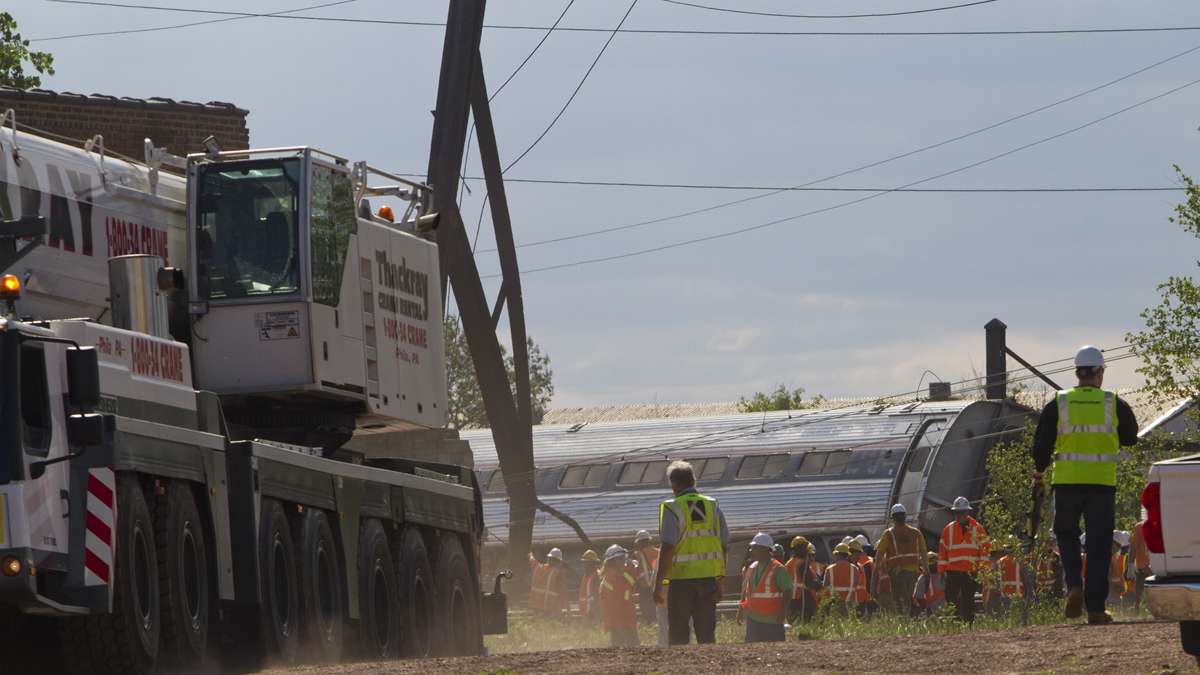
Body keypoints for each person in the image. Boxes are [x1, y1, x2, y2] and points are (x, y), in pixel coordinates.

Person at [1031, 345, 1139, 625]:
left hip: (1066, 483)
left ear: (1077, 373)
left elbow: (1041, 445)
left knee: (1065, 534)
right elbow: (1130, 437)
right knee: (1100, 545)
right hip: (1102, 485)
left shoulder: (1060, 403)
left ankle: (1073, 584)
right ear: (1100, 373)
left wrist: (1039, 472)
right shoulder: (1113, 402)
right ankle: (1095, 608)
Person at [652, 460, 730, 645]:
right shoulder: (712, 506)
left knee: (678, 634)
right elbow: (724, 545)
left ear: (673, 484)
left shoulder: (672, 507)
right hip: (708, 579)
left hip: (681, 581)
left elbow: (668, 547)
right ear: (693, 480)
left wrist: (659, 583)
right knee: (706, 635)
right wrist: (720, 579)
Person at [938, 496, 989, 623]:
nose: (959, 515)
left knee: (968, 599)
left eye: (962, 512)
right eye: (957, 512)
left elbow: (984, 551)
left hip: (970, 571)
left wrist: (983, 570)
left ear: (967, 512)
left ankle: (968, 624)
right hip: (953, 571)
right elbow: (943, 552)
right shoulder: (948, 529)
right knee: (951, 598)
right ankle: (955, 623)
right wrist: (942, 571)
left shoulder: (978, 529)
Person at [736, 532, 793, 643]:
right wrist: (741, 609)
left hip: (772, 621)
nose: (751, 551)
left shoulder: (778, 569)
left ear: (765, 549)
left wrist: (783, 612)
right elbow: (746, 591)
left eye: (754, 548)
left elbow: (788, 590)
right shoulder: (752, 567)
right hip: (753, 620)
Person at [875, 503, 926, 614]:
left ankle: (903, 621)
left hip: (897, 572)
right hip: (913, 572)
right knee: (907, 597)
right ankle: (907, 619)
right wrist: (926, 570)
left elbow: (879, 554)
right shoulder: (916, 532)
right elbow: (923, 552)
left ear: (893, 518)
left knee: (900, 600)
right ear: (905, 516)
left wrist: (876, 569)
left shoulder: (889, 533)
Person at [599, 545, 640, 647]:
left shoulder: (623, 574)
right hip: (618, 623)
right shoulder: (610, 578)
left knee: (635, 651)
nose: (623, 561)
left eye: (623, 558)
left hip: (628, 620)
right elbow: (615, 603)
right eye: (620, 559)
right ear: (612, 561)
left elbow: (633, 582)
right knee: (619, 652)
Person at [785, 536, 821, 624]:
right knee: (806, 623)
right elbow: (809, 583)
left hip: (790, 600)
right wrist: (820, 586)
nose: (806, 549)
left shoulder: (788, 563)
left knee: (793, 623)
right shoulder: (802, 563)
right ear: (800, 548)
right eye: (805, 547)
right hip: (802, 598)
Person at [631, 529, 661, 625]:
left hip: (645, 589)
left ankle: (651, 626)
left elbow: (634, 573)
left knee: (648, 614)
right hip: (659, 587)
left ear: (639, 542)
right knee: (659, 613)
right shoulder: (659, 552)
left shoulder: (637, 555)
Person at [529, 548, 569, 617]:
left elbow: (533, 562)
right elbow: (563, 592)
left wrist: (530, 554)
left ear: (548, 558)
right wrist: (567, 607)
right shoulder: (558, 574)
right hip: (551, 610)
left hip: (538, 608)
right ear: (559, 561)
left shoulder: (539, 568)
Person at [822, 543, 860, 615]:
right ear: (847, 555)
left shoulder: (829, 569)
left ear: (837, 554)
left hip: (835, 603)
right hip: (850, 603)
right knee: (849, 624)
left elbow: (825, 587)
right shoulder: (855, 569)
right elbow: (856, 585)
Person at [914, 551, 947, 615]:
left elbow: (918, 598)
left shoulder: (923, 578)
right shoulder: (945, 575)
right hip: (944, 612)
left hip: (934, 613)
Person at [847, 538, 875, 615]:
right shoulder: (848, 567)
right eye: (855, 553)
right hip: (851, 600)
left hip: (862, 599)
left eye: (858, 553)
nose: (858, 555)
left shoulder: (861, 566)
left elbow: (866, 583)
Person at [1129, 522, 1151, 608]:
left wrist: (1130, 564)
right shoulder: (1139, 527)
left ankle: (1137, 611)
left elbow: (1133, 547)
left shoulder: (1139, 526)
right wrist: (1130, 564)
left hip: (1143, 567)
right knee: (1140, 595)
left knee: (1139, 594)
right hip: (1151, 567)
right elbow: (1133, 547)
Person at [579, 549, 601, 623]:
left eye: (586, 563)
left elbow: (598, 597)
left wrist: (594, 614)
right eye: (584, 563)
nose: (584, 565)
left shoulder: (597, 577)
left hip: (594, 616)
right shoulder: (586, 576)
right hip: (586, 615)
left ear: (593, 564)